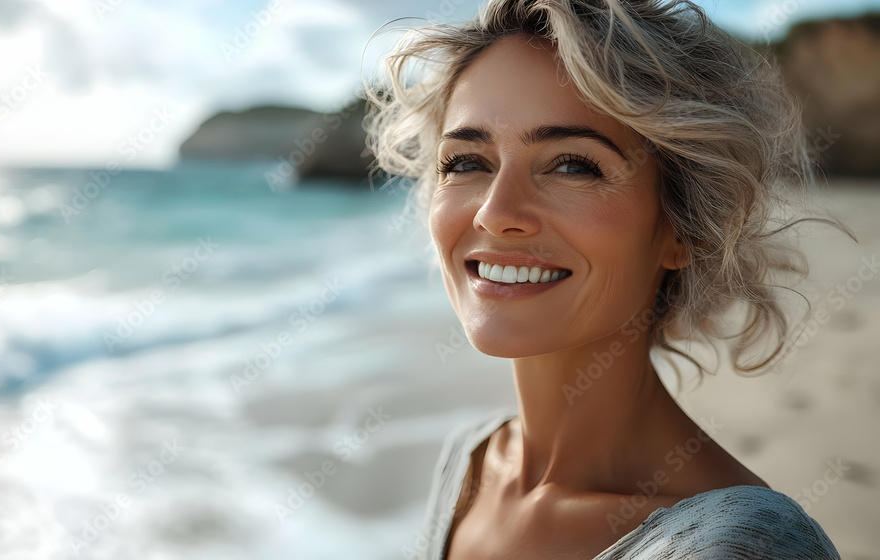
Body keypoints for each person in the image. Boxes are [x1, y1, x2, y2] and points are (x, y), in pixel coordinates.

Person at [363, 0, 852, 558]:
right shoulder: (468, 464)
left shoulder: (742, 548)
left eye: (573, 164)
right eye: (466, 162)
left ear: (682, 227)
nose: (494, 213)